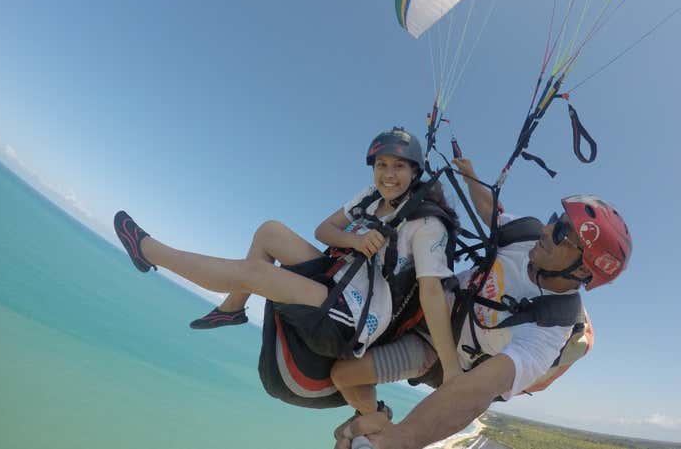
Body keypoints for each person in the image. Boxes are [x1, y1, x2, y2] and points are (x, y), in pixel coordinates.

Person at [113, 127, 464, 413]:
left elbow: (431, 293)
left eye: (399, 167)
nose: (388, 175)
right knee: (270, 232)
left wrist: (451, 370)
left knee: (257, 275)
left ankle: (150, 252)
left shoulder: (428, 225)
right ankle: (233, 308)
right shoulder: (371, 196)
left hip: (357, 314)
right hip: (339, 278)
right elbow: (323, 231)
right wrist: (356, 241)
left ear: (415, 171)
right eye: (381, 165)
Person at [333, 157, 633, 449]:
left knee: (345, 373)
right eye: (556, 220)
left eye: (562, 232)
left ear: (582, 269)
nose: (547, 229)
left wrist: (403, 439)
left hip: (437, 350)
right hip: (426, 301)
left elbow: (479, 389)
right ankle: (373, 417)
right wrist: (469, 174)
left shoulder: (549, 328)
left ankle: (377, 423)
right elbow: (491, 211)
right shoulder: (527, 236)